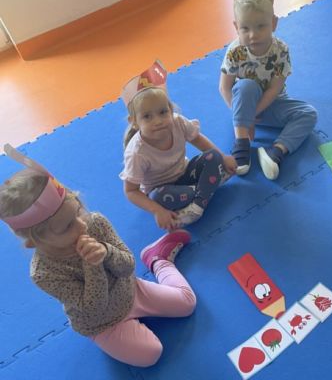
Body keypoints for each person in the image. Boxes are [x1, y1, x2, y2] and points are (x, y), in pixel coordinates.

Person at [0, 144, 196, 367]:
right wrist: (92, 264)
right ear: (33, 243)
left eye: (78, 212)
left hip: (130, 289)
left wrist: (106, 251)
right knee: (150, 354)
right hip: (102, 323)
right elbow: (93, 307)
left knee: (187, 304)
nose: (81, 226)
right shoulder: (44, 273)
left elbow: (127, 266)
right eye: (67, 227)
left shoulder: (95, 223)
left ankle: (158, 259)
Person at [120, 61, 237, 231]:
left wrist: (223, 158)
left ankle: (197, 205)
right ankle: (207, 187)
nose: (158, 121)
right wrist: (157, 211)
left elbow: (198, 139)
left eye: (163, 112)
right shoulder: (137, 153)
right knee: (159, 196)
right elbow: (131, 191)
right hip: (163, 189)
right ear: (134, 122)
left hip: (186, 172)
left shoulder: (178, 123)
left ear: (171, 109)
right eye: (147, 116)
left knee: (214, 156)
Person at [219, 0, 317, 180]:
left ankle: (276, 152)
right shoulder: (235, 51)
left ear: (273, 23)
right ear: (236, 27)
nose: (253, 35)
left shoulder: (281, 50)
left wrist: (253, 115)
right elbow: (224, 87)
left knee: (309, 114)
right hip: (245, 107)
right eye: (245, 28)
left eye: (261, 26)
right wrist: (242, 117)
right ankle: (241, 143)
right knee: (246, 86)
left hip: (270, 105)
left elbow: (275, 89)